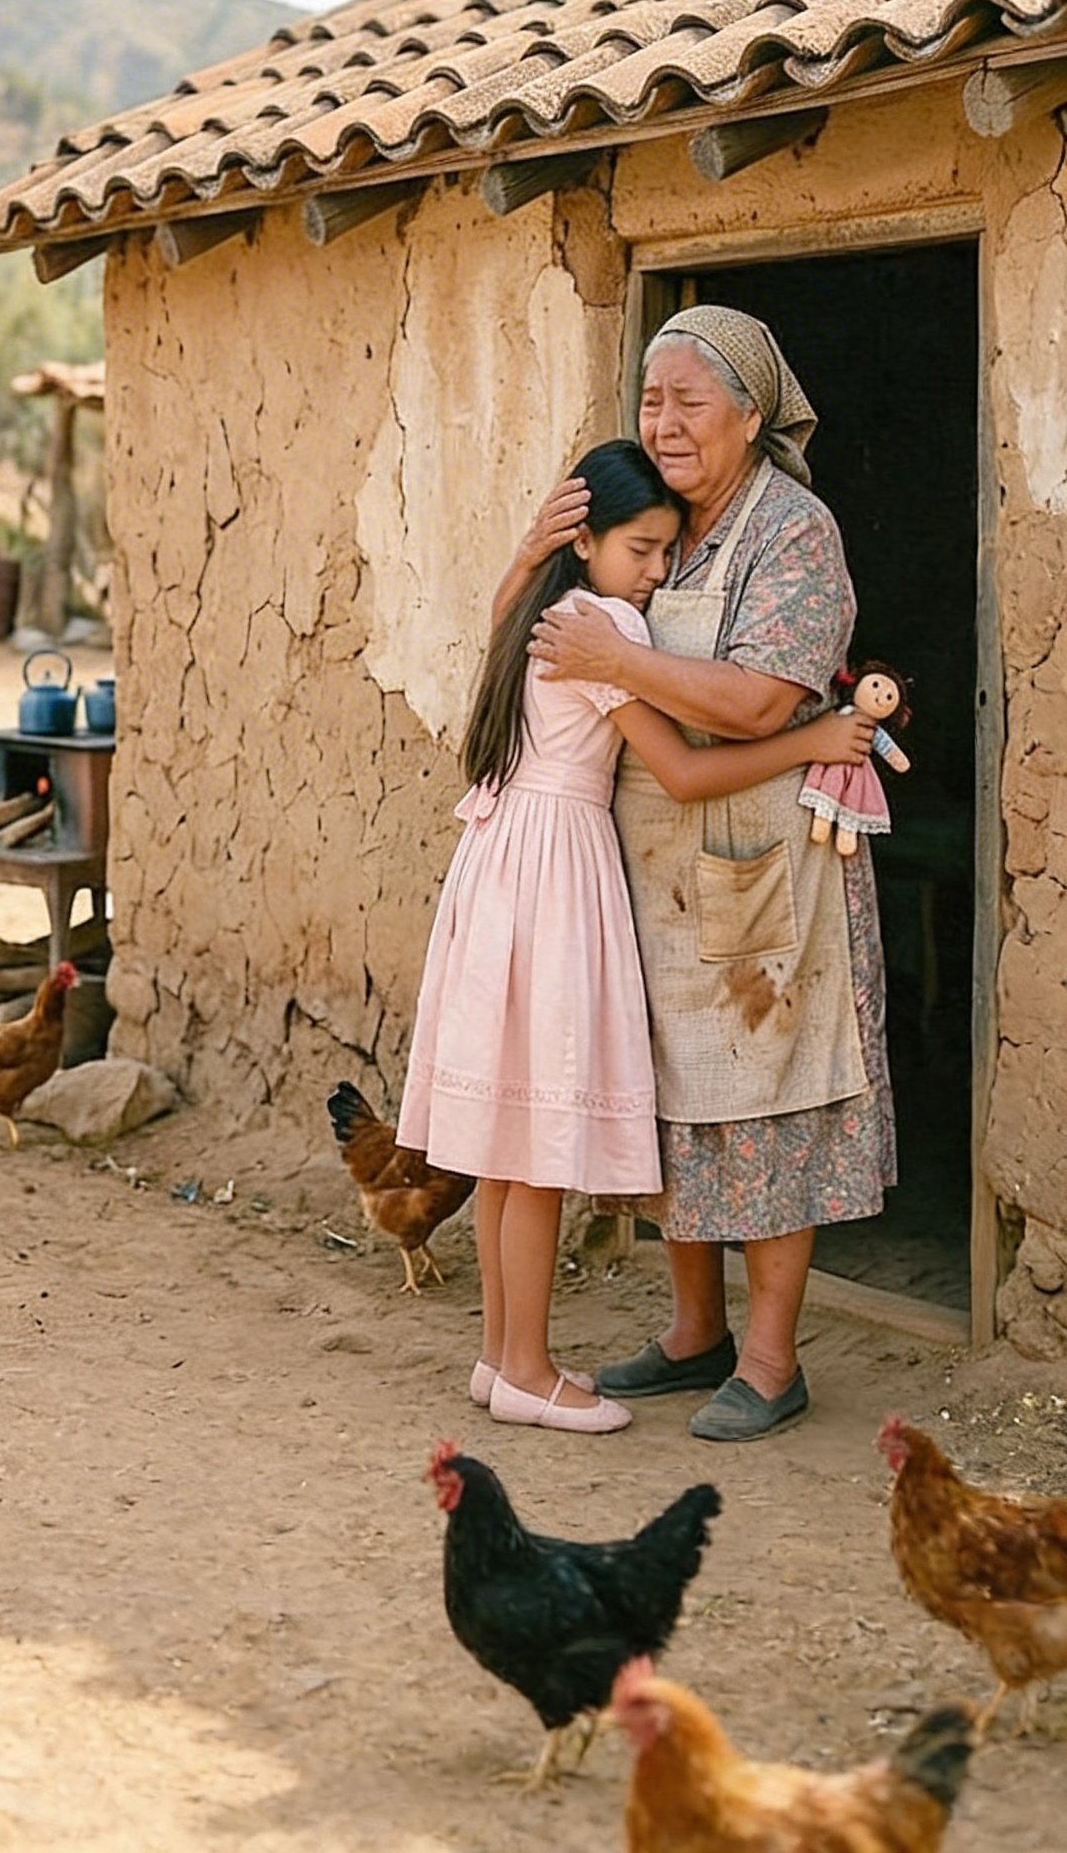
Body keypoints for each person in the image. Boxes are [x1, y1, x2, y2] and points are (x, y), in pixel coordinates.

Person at [396, 441, 873, 1435]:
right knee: (532, 1145)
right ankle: (528, 1369)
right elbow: (690, 773)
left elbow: (500, 618)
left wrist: (530, 555)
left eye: (665, 551)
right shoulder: (602, 625)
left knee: (500, 1144)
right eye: (642, 549)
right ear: (588, 542)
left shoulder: (534, 608)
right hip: (554, 870)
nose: (655, 573)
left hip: (497, 865)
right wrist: (815, 741)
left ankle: (499, 1360)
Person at [524, 305, 894, 1442]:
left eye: (690, 401)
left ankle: (772, 1361)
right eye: (651, 400)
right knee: (672, 1094)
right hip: (644, 859)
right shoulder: (649, 515)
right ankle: (694, 1334)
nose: (665, 422)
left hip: (762, 863)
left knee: (764, 1096)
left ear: (749, 413)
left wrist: (615, 658)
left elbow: (760, 701)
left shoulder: (791, 531)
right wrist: (533, 553)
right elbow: (540, 633)